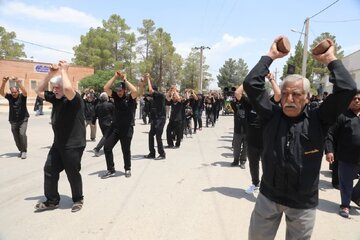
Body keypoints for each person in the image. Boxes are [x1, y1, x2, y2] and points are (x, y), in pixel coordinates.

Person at [243, 36, 357, 240]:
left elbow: (348, 88)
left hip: (303, 203)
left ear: (306, 97)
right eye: (285, 94)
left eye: (296, 94)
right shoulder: (271, 115)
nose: (289, 99)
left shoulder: (320, 118)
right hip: (268, 197)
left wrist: (330, 59)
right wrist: (270, 56)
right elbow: (251, 84)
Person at [34, 61, 86, 212]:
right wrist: (50, 74)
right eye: (54, 88)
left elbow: (69, 88)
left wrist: (64, 70)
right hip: (58, 143)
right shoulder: (55, 98)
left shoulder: (74, 99)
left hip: (74, 144)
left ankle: (78, 199)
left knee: (72, 172)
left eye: (58, 88)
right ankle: (52, 200)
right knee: (49, 169)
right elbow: (38, 90)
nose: (55, 90)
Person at [242, 73, 281, 194]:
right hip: (252, 141)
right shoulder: (249, 104)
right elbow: (238, 94)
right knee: (253, 164)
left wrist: (271, 79)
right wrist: (247, 81)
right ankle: (255, 184)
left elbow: (279, 94)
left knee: (267, 165)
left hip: (266, 141)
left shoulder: (269, 103)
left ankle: (267, 186)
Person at [324, 90, 360, 218]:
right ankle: (345, 205)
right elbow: (330, 134)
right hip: (346, 157)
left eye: (359, 99)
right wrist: (329, 150)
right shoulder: (342, 116)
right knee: (345, 183)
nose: (357, 101)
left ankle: (356, 195)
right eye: (354, 98)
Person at [101, 70, 138, 179]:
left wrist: (125, 80)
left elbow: (135, 90)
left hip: (127, 128)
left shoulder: (130, 98)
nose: (118, 92)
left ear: (125, 90)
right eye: (117, 91)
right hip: (116, 128)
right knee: (107, 148)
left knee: (125, 150)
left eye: (120, 90)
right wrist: (115, 76)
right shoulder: (116, 97)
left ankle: (127, 168)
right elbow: (106, 88)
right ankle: (111, 170)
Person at [0, 76, 29, 159]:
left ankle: (24, 151)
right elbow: (1, 92)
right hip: (13, 120)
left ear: (18, 91)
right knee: (16, 137)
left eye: (15, 92)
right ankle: (21, 149)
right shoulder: (10, 97)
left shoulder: (22, 97)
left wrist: (18, 82)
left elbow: (25, 91)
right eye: (12, 92)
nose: (14, 94)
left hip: (23, 119)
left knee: (22, 134)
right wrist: (4, 82)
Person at [143, 73, 166, 160]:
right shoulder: (153, 98)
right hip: (155, 119)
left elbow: (151, 90)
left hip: (161, 119)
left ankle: (162, 154)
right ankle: (152, 153)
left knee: (158, 136)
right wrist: (143, 82)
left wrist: (148, 78)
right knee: (151, 135)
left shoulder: (160, 96)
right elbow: (143, 94)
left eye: (151, 93)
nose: (149, 94)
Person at [230, 84, 248, 169]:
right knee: (236, 147)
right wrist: (236, 96)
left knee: (245, 148)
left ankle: (243, 161)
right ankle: (236, 160)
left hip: (247, 130)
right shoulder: (235, 105)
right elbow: (232, 102)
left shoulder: (248, 104)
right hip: (237, 130)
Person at [92, 92, 114, 157]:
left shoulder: (97, 106)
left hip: (101, 123)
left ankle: (107, 148)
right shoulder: (110, 105)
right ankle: (97, 149)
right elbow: (114, 113)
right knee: (106, 136)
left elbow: (94, 115)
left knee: (106, 136)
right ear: (107, 98)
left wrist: (93, 122)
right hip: (108, 123)